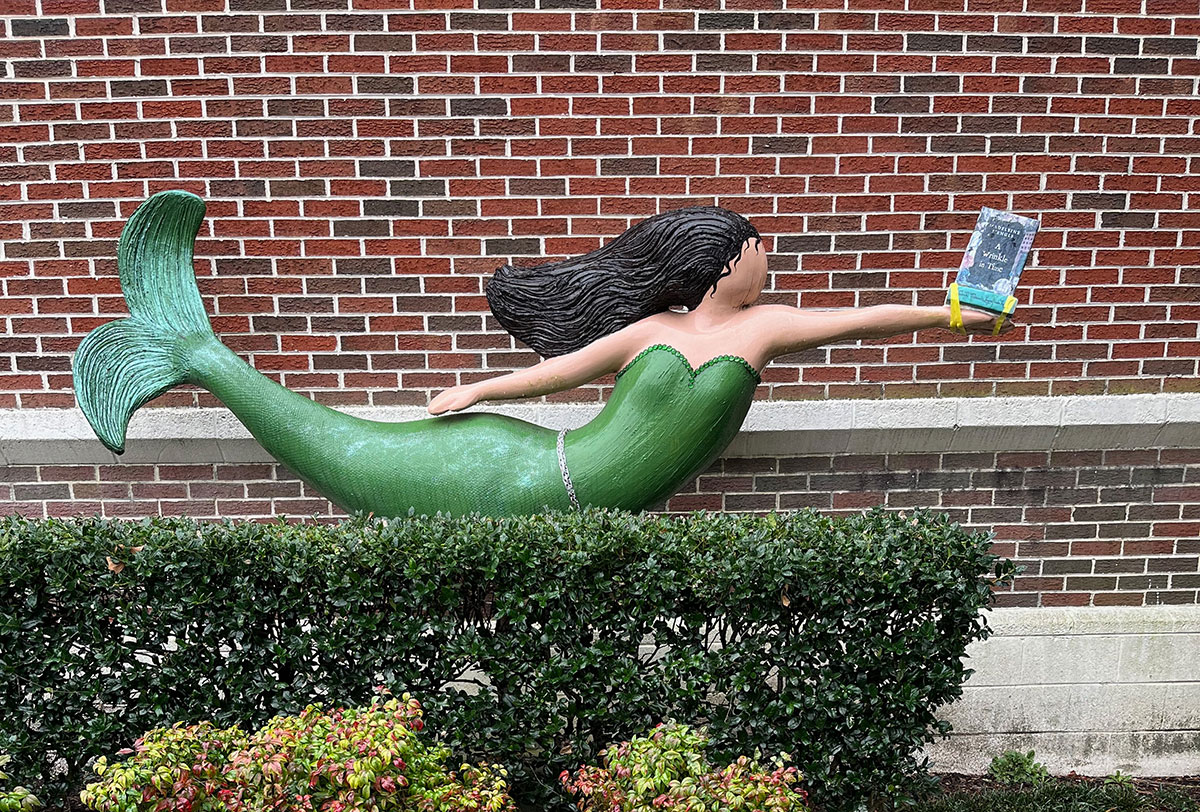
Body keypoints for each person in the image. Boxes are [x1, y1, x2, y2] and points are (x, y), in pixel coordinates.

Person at [74, 194, 996, 519]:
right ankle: (196, 353)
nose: (769, 258)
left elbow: (859, 320)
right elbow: (557, 375)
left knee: (361, 460)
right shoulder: (655, 331)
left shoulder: (760, 331)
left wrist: (951, 311)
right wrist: (473, 387)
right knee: (351, 453)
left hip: (546, 482)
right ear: (722, 264)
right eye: (756, 247)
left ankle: (194, 352)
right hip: (517, 469)